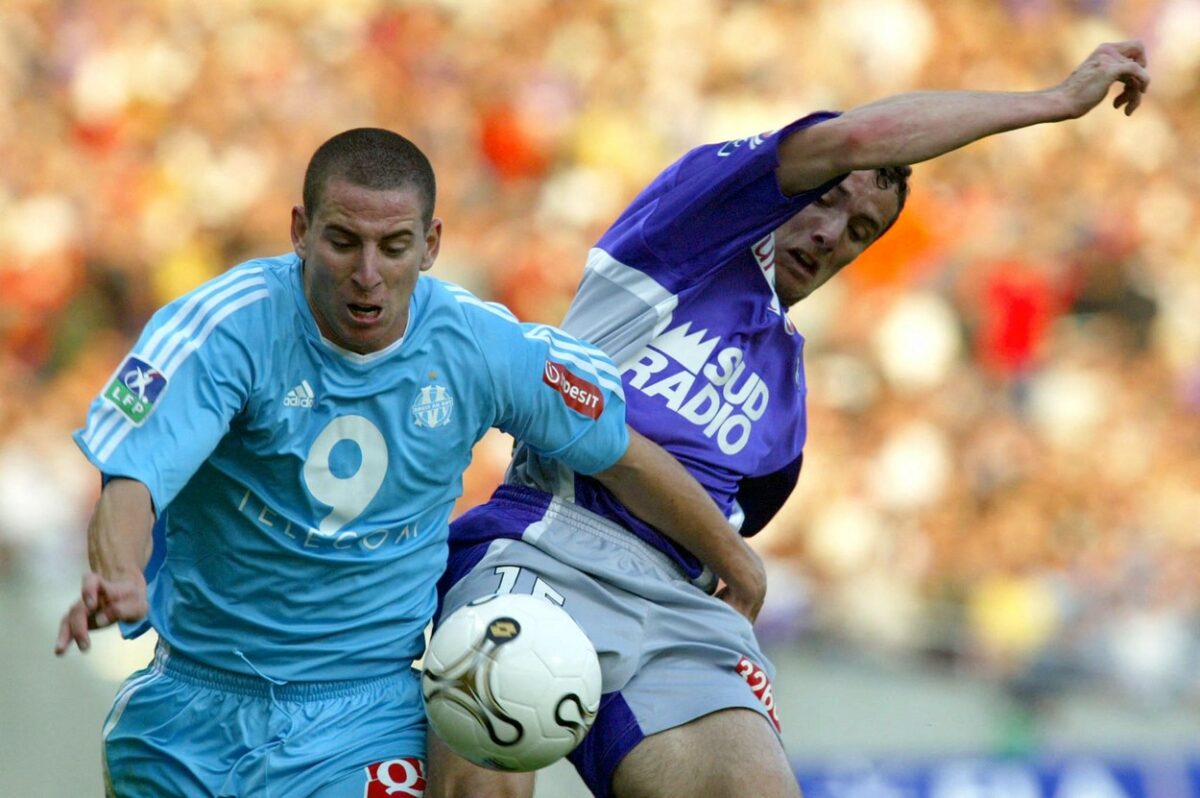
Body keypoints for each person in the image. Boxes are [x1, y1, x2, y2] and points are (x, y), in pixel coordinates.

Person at [428, 40, 1150, 798]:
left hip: (672, 604)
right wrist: (1053, 102)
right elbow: (599, 441)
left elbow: (721, 538)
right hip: (547, 544)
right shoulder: (687, 234)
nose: (834, 233)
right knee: (483, 778)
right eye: (827, 198)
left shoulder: (789, 397)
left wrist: (727, 561)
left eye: (861, 230)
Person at [53, 127, 763, 797]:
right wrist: (119, 573)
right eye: (343, 242)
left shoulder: (479, 346)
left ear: (430, 245)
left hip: (363, 720)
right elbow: (134, 476)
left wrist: (734, 558)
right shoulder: (226, 327)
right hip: (190, 712)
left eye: (393, 247)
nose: (367, 275)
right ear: (300, 231)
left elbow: (621, 456)